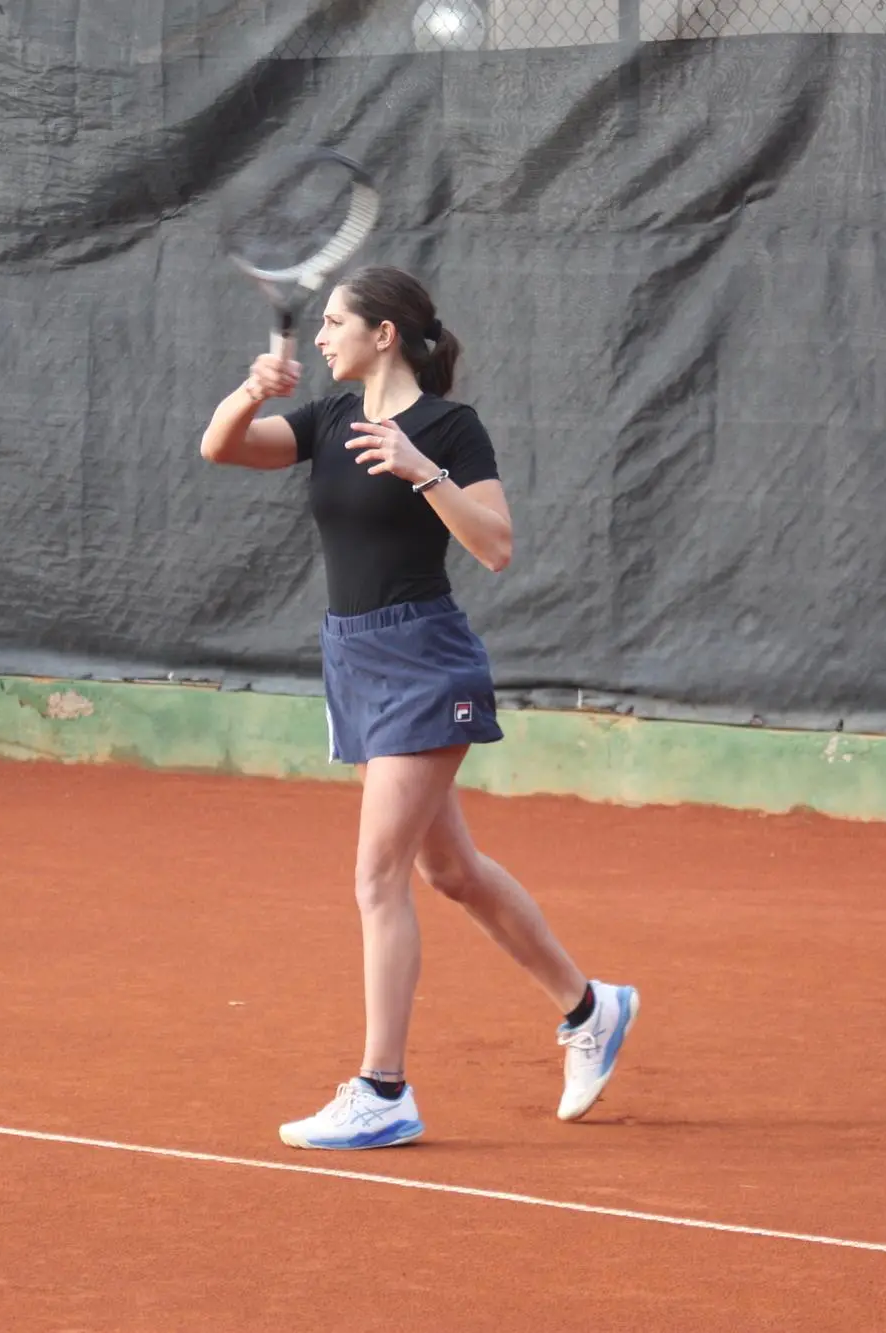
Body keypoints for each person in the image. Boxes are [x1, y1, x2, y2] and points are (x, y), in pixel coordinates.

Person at [199, 265, 639, 1150]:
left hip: (423, 661)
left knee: (377, 877)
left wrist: (422, 470)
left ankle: (383, 1088)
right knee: (449, 870)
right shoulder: (329, 418)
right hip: (354, 658)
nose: (322, 337)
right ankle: (588, 1007)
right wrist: (250, 392)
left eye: (335, 322)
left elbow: (496, 547)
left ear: (383, 334)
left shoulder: (448, 428)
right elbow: (222, 448)